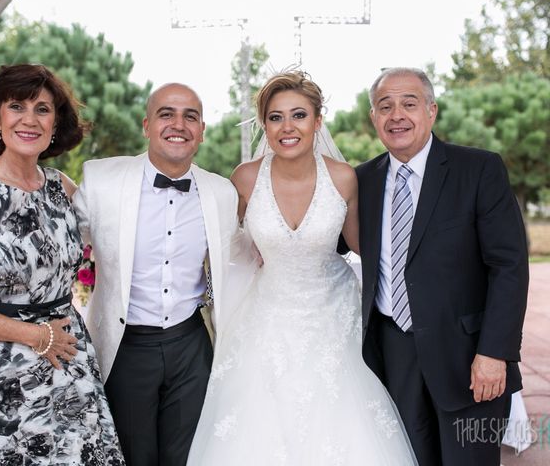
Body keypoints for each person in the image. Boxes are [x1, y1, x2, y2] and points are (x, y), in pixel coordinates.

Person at [187, 71, 416, 465]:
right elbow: (222, 246)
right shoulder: (244, 179)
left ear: (318, 121)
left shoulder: (344, 179)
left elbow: (367, 247)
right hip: (266, 317)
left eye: (299, 115)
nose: (287, 127)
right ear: (265, 125)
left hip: (334, 316)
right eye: (275, 117)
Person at [0, 64, 125, 464]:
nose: (29, 119)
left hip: (66, 363)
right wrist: (35, 336)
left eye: (43, 109)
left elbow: (114, 243)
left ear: (56, 123)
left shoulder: (62, 187)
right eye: (17, 106)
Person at [357, 67, 528, 465]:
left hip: (471, 361)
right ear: (374, 118)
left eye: (409, 104)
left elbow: (509, 266)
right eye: (385, 106)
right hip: (393, 357)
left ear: (431, 111)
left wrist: (494, 352)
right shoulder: (361, 181)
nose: (396, 115)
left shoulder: (479, 169)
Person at [73, 83, 238, 466]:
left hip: (191, 344)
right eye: (167, 114)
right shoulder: (101, 181)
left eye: (190, 116)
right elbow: (63, 241)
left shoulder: (222, 193)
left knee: (188, 455)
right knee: (133, 455)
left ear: (201, 131)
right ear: (147, 125)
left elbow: (242, 254)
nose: (178, 124)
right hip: (124, 344)